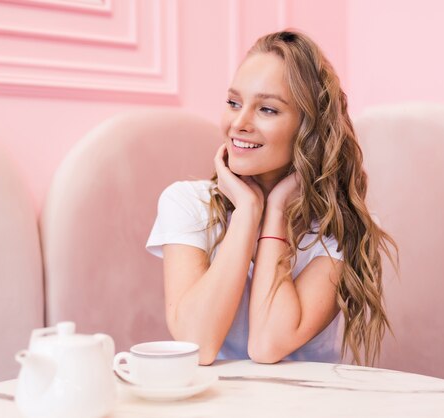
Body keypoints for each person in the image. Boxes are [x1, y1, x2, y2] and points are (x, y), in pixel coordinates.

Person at [146, 30, 397, 366]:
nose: (238, 123)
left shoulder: (341, 229)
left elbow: (267, 345)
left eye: (266, 109)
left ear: (308, 128)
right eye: (234, 103)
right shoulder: (186, 204)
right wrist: (248, 211)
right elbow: (198, 344)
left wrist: (275, 210)